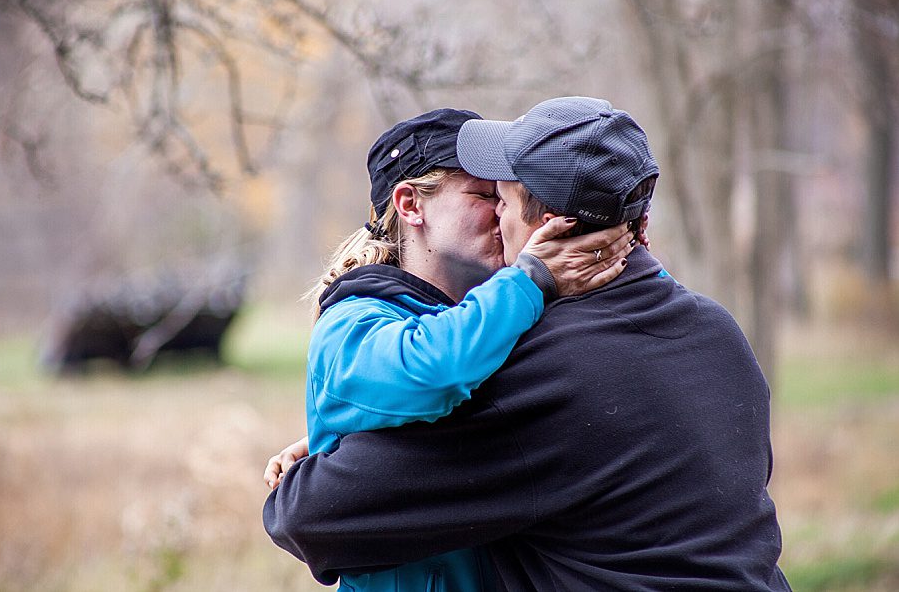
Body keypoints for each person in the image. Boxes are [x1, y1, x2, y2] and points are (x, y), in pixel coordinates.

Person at [264, 97, 791, 591]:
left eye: (504, 200)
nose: (496, 216)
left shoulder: (539, 373)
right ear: (642, 224)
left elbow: (312, 516)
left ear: (543, 227)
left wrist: (334, 459)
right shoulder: (716, 333)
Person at [264, 107, 640, 591]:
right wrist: (530, 278)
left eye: (507, 196)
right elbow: (430, 371)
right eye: (485, 195)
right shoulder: (353, 321)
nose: (503, 211)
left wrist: (618, 254)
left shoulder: (508, 312)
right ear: (410, 205)